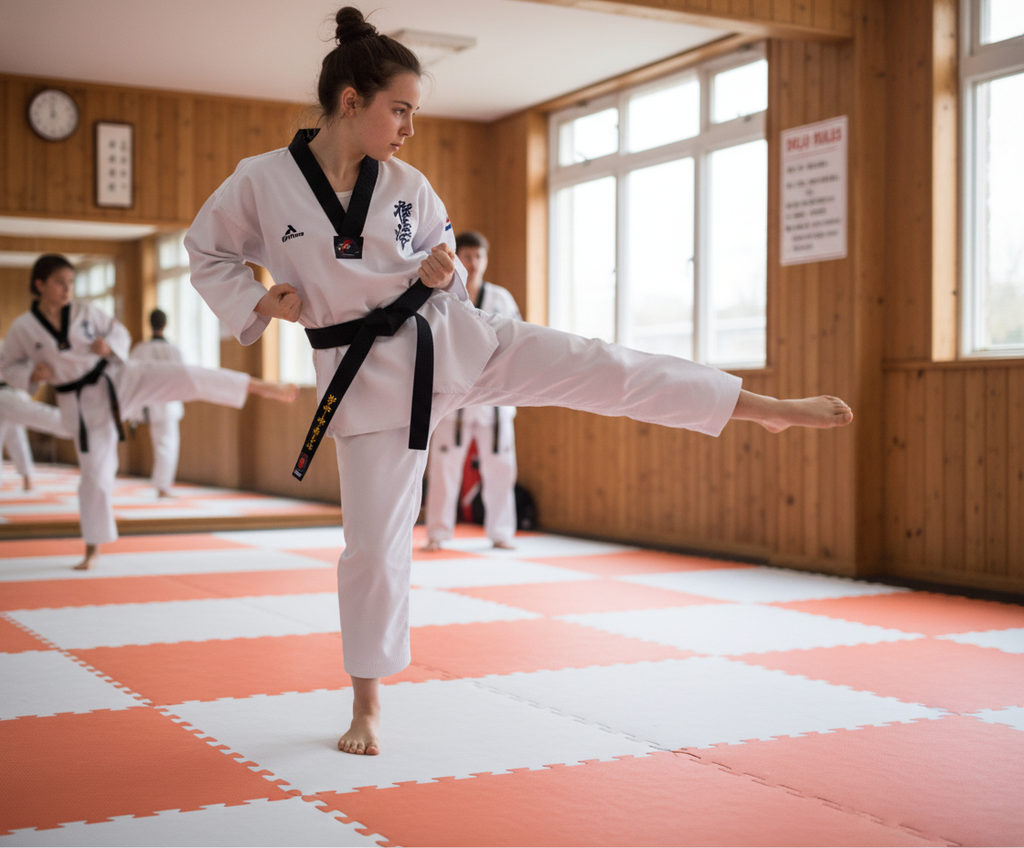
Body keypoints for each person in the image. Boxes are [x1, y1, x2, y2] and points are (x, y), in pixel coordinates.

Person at [185, 6, 852, 758]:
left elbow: (445, 271)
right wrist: (259, 302)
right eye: (399, 110)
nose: (408, 128)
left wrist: (444, 272)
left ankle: (755, 407)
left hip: (453, 342)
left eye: (413, 113)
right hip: (364, 379)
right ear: (351, 101)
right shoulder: (263, 183)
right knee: (372, 550)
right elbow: (206, 250)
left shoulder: (407, 184)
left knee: (599, 364)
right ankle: (367, 705)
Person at [0, 254, 299, 571]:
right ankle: (92, 549)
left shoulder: (85, 311)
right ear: (40, 285)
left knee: (182, 375)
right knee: (95, 478)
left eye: (71, 282)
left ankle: (257, 386)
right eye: (60, 283)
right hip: (81, 406)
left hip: (117, 378)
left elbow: (120, 334)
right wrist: (32, 374)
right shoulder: (23, 329)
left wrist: (108, 346)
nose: (67, 289)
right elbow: (8, 368)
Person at [423, 231, 520, 552]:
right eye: (468, 256)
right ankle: (438, 533)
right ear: (457, 259)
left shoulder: (501, 299)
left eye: (479, 256)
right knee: (444, 470)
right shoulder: (444, 297)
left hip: (495, 399)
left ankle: (502, 532)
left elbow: (516, 340)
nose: (474, 263)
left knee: (501, 469)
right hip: (455, 398)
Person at [129, 309, 185, 497]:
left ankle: (162, 485)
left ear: (149, 324)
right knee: (167, 445)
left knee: (162, 444)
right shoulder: (174, 350)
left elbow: (131, 377)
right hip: (167, 402)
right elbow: (183, 377)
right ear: (165, 324)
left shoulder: (140, 350)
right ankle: (163, 486)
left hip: (148, 402)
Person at [0, 345, 71, 489]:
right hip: (6, 395)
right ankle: (27, 477)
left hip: (13, 392)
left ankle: (74, 425)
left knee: (20, 435)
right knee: (17, 437)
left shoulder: (11, 345)